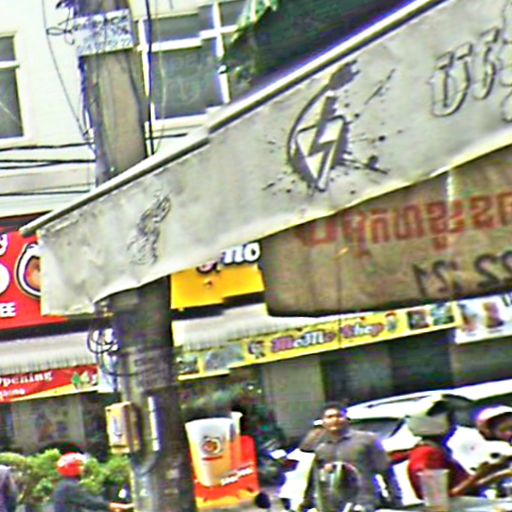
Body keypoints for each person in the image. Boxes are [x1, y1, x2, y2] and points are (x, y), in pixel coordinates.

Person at [304, 401, 402, 512]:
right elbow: (314, 481)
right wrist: (306, 505)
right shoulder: (321, 449)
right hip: (335, 506)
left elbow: (387, 472)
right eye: (329, 417)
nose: (335, 420)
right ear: (323, 422)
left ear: (347, 420)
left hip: (364, 502)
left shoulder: (366, 440)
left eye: (339, 416)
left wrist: (396, 500)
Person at [405, 396, 505, 498]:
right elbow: (439, 498)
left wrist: (497, 474)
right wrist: (479, 474)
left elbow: (465, 489)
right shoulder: (427, 454)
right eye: (450, 420)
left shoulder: (436, 450)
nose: (454, 425)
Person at [53, 453, 133, 512]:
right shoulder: (69, 486)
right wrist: (112, 506)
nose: (83, 468)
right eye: (79, 465)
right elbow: (90, 502)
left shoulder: (63, 485)